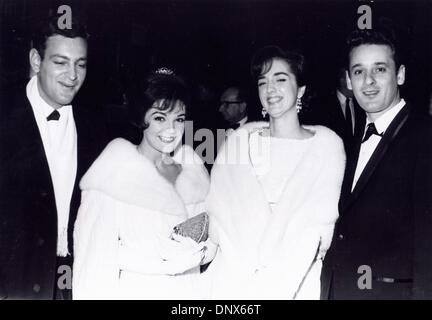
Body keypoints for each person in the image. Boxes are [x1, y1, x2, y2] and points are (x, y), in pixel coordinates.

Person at [205, 46, 345, 299]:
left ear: (301, 88)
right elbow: (217, 218)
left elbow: (317, 230)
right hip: (234, 281)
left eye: (280, 79)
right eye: (263, 82)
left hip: (296, 283)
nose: (270, 90)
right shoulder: (238, 144)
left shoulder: (325, 147)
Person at [72, 68, 216, 299]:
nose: (171, 130)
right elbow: (93, 263)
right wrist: (166, 263)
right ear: (141, 118)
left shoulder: (194, 169)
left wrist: (198, 254)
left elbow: (215, 236)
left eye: (178, 119)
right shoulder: (113, 172)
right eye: (159, 117)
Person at [0, 15, 107, 300]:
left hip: (76, 281)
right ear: (36, 61)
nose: (72, 76)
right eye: (60, 62)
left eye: (80, 64)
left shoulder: (97, 129)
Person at [321, 29, 432, 300]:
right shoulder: (351, 138)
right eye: (358, 72)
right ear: (348, 79)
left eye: (380, 69)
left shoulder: (425, 135)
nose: (368, 81)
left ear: (400, 74)